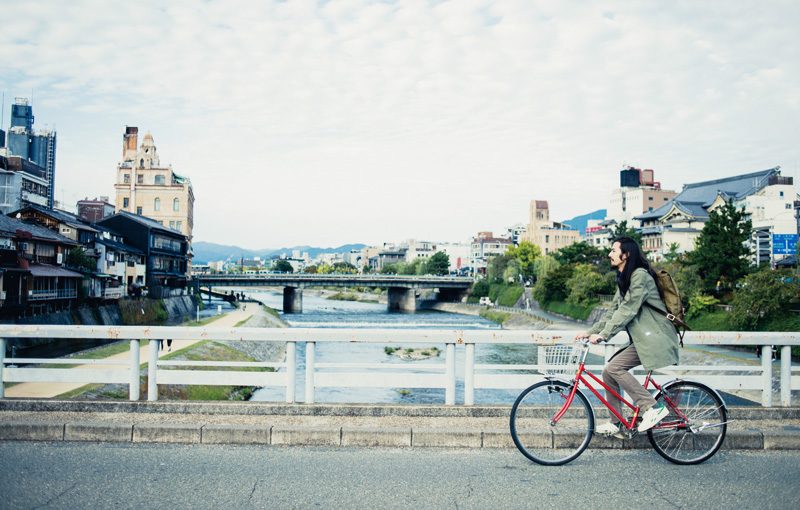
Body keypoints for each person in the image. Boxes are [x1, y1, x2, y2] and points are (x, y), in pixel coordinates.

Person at [575, 237, 680, 437]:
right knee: (608, 372)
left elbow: (628, 310)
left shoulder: (640, 276)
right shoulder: (625, 277)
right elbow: (612, 311)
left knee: (614, 367)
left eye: (614, 251)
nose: (610, 254)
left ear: (626, 254)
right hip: (643, 339)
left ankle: (652, 407)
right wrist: (590, 333)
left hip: (655, 337)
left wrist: (604, 335)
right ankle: (617, 423)